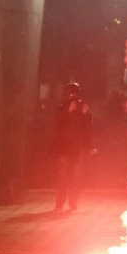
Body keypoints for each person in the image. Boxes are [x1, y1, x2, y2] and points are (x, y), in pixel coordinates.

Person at [52, 82, 95, 212]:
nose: (73, 96)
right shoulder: (63, 106)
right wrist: (68, 112)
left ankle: (72, 202)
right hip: (66, 147)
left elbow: (86, 125)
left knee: (75, 177)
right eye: (71, 93)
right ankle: (60, 203)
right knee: (63, 176)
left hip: (77, 147)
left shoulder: (81, 106)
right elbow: (58, 122)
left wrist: (86, 114)